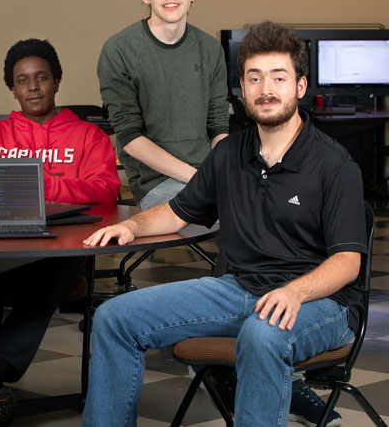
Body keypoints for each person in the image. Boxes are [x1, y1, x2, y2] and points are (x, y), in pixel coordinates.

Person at [82, 22, 363, 427]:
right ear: (242, 90)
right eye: (254, 78)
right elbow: (179, 211)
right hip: (240, 288)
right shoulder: (229, 154)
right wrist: (133, 227)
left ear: (300, 87)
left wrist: (294, 293)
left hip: (320, 302)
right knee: (115, 318)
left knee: (262, 335)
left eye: (278, 77)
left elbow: (347, 262)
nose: (266, 88)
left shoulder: (334, 165)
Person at [0, 39, 119, 425]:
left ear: (57, 81)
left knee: (44, 281)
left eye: (41, 78)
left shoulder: (88, 137)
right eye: (22, 80)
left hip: (59, 253)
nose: (32, 87)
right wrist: (53, 187)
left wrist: (31, 187)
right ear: (12, 88)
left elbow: (106, 190)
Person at [97, 0, 228, 210]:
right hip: (155, 183)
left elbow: (218, 126)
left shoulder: (210, 49)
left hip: (208, 176)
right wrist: (198, 179)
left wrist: (224, 174)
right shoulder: (119, 50)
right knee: (238, 214)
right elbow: (130, 137)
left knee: (272, 204)